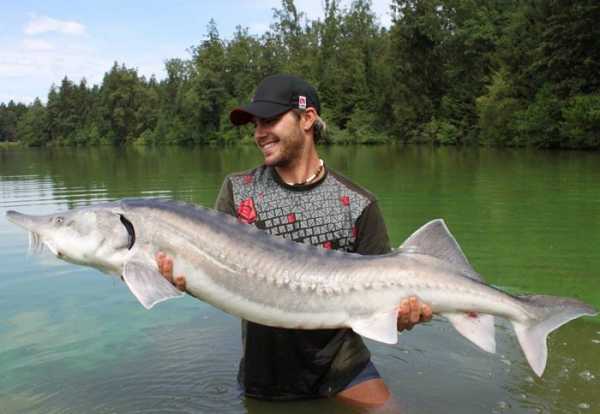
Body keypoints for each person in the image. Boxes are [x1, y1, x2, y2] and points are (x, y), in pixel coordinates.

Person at [156, 74, 432, 406]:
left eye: (270, 119)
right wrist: (178, 280)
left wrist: (400, 317)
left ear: (307, 119)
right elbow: (221, 280)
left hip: (344, 368)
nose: (259, 133)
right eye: (255, 124)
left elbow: (382, 300)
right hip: (265, 377)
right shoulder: (239, 190)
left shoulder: (359, 204)